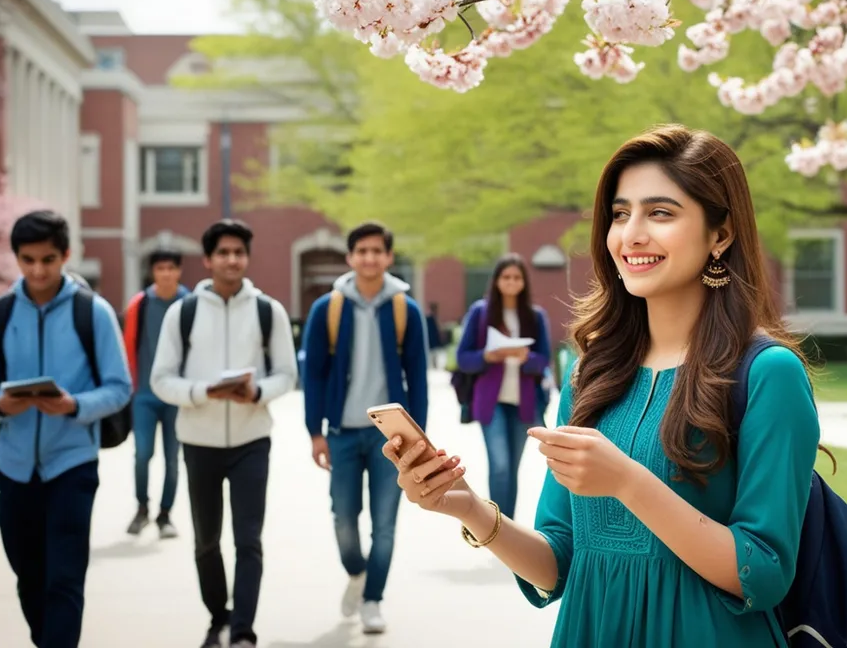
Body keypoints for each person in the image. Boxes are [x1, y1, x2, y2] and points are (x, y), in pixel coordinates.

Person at [381, 125, 822, 647]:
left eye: (660, 213)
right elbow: (557, 565)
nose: (631, 234)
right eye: (620, 213)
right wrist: (468, 507)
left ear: (720, 234)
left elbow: (764, 572)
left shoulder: (769, 374)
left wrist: (629, 483)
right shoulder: (591, 375)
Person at [0, 210, 132, 648]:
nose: (39, 270)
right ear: (16, 258)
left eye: (49, 259)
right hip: (15, 469)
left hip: (72, 466)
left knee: (64, 579)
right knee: (30, 579)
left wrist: (73, 404)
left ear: (66, 255)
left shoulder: (92, 313)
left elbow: (119, 387)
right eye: (28, 260)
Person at [150, 219, 298, 648]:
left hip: (253, 440)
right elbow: (161, 379)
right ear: (208, 259)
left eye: (239, 252)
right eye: (224, 252)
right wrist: (203, 392)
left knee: (249, 540)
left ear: (246, 258)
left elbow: (288, 374)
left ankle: (243, 632)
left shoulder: (268, 310)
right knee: (206, 541)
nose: (232, 259)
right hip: (199, 443)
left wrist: (257, 393)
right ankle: (219, 618)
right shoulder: (184, 312)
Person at [300, 221, 428, 635]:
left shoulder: (404, 308)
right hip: (341, 431)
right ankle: (357, 571)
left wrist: (419, 438)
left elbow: (418, 377)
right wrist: (314, 431)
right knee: (343, 518)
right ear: (350, 257)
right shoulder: (328, 308)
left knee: (386, 523)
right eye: (362, 251)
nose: (370, 258)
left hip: (390, 439)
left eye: (378, 251)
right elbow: (314, 374)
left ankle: (373, 599)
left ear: (389, 257)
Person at [456, 254, 552, 520]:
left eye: (517, 277)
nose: (511, 282)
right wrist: (487, 356)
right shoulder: (481, 312)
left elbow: (544, 360)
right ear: (496, 281)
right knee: (499, 465)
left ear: (524, 282)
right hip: (491, 402)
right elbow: (463, 358)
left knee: (512, 468)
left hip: (524, 403)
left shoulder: (535, 315)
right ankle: (496, 524)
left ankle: (505, 524)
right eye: (506, 277)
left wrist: (526, 358)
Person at [123, 249, 190, 538]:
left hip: (176, 396)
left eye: (170, 268)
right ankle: (141, 509)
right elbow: (129, 345)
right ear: (152, 272)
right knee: (142, 454)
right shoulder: (141, 304)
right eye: (159, 268)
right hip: (144, 395)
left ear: (178, 271)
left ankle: (165, 515)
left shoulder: (190, 304)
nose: (165, 273)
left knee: (173, 458)